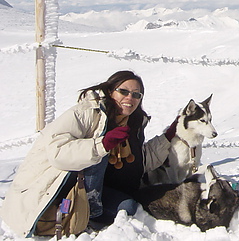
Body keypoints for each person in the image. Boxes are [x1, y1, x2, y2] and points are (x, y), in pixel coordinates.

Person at [1, 70, 177, 237]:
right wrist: (102, 145)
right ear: (110, 91)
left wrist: (169, 137)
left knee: (128, 207)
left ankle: (92, 212)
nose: (130, 98)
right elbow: (57, 152)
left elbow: (141, 161)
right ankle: (86, 208)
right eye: (123, 91)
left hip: (102, 190)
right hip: (61, 189)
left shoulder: (133, 123)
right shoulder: (86, 113)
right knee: (97, 157)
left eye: (136, 94)